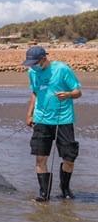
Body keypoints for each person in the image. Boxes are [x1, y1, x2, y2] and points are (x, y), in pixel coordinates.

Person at [23, 46, 82, 201]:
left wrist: (68, 94)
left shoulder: (62, 69)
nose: (32, 66)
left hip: (64, 120)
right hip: (41, 120)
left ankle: (65, 189)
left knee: (69, 157)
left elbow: (78, 92)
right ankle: (44, 193)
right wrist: (29, 114)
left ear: (43, 58)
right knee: (40, 158)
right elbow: (35, 93)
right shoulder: (32, 72)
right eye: (30, 63)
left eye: (35, 62)